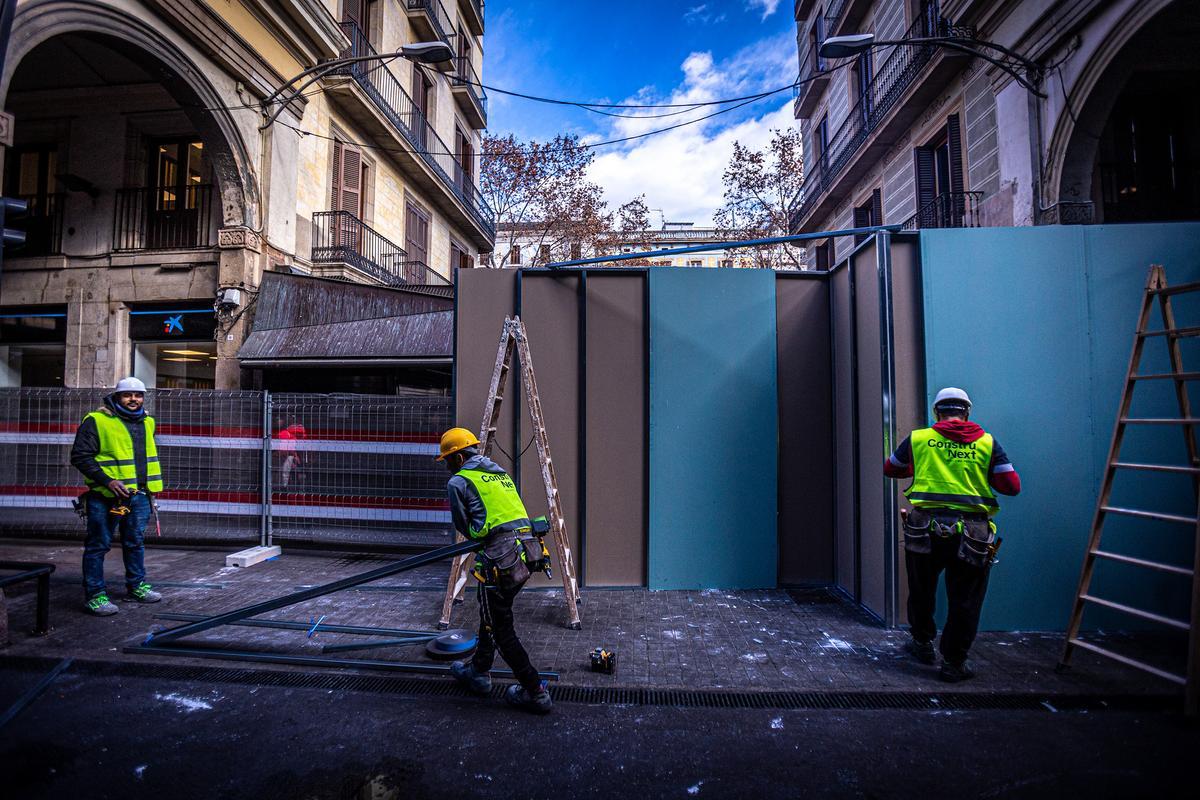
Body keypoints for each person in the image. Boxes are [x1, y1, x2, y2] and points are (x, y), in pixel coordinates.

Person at [884, 387, 1021, 682]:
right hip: (972, 533)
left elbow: (891, 468)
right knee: (965, 600)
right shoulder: (987, 443)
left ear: (937, 412)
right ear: (966, 412)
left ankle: (922, 644)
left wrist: (922, 465)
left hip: (924, 530)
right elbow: (1011, 485)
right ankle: (954, 663)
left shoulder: (920, 439)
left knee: (921, 590)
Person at [437, 426, 552, 714]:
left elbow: (466, 527)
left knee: (502, 629)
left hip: (499, 560)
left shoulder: (459, 482)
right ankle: (478, 672)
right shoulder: (500, 473)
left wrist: (481, 536)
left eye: (449, 461)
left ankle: (535, 690)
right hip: (526, 554)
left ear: (460, 458)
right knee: (491, 612)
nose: (448, 468)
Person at [70, 377, 164, 616]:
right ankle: (95, 595)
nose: (134, 399)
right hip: (105, 497)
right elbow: (80, 456)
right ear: (117, 397)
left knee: (135, 543)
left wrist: (148, 492)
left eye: (138, 395)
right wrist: (108, 481)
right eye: (128, 395)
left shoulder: (147, 422)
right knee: (98, 545)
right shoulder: (97, 421)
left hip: (139, 495)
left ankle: (136, 586)